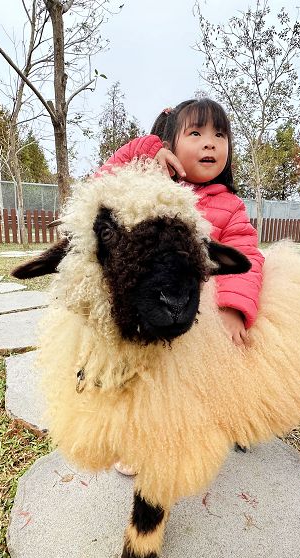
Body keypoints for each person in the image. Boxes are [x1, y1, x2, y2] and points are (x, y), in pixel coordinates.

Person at [99, 98, 265, 475]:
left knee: (204, 378)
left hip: (200, 310)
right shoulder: (149, 187)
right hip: (151, 304)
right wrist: (145, 150)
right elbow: (102, 182)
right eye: (196, 133)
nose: (210, 143)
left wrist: (234, 307)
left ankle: (221, 421)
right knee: (144, 378)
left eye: (219, 135)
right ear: (170, 145)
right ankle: (138, 439)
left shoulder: (230, 206)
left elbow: (246, 254)